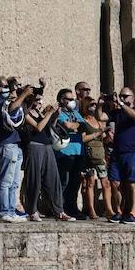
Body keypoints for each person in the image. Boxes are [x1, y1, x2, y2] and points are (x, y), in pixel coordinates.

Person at [0, 75, 33, 222]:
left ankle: (12, 209)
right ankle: (4, 210)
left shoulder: (5, 100)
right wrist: (23, 94)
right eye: (5, 86)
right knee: (6, 180)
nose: (8, 89)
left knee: (14, 182)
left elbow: (19, 111)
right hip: (6, 144)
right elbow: (11, 109)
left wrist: (27, 95)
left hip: (15, 144)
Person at [20, 88, 68, 221]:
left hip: (47, 147)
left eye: (40, 99)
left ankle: (59, 210)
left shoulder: (41, 113)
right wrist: (48, 114)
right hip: (34, 147)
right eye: (37, 99)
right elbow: (38, 127)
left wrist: (54, 115)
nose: (40, 102)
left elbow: (48, 127)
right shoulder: (26, 114)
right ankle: (32, 210)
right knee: (34, 180)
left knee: (54, 179)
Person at [53, 86, 94, 218]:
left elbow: (86, 127)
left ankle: (72, 208)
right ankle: (60, 209)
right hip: (65, 153)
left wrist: (77, 125)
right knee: (64, 181)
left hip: (78, 152)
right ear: (61, 99)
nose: (72, 101)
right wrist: (77, 125)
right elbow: (66, 126)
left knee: (75, 183)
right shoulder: (59, 112)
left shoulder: (75, 113)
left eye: (72, 99)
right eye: (69, 99)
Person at [108, 86, 135, 223]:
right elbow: (101, 117)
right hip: (117, 152)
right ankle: (118, 211)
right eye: (121, 96)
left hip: (134, 152)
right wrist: (101, 105)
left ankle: (132, 212)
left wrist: (122, 104)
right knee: (115, 182)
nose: (122, 98)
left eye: (125, 96)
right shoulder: (117, 113)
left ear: (133, 97)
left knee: (132, 183)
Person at [80, 91, 115, 221]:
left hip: (100, 154)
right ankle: (91, 210)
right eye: (91, 105)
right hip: (88, 155)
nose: (93, 107)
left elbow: (103, 139)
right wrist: (97, 134)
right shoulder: (83, 121)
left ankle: (109, 209)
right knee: (89, 183)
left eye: (94, 105)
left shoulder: (98, 121)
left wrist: (108, 137)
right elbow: (82, 138)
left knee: (105, 183)